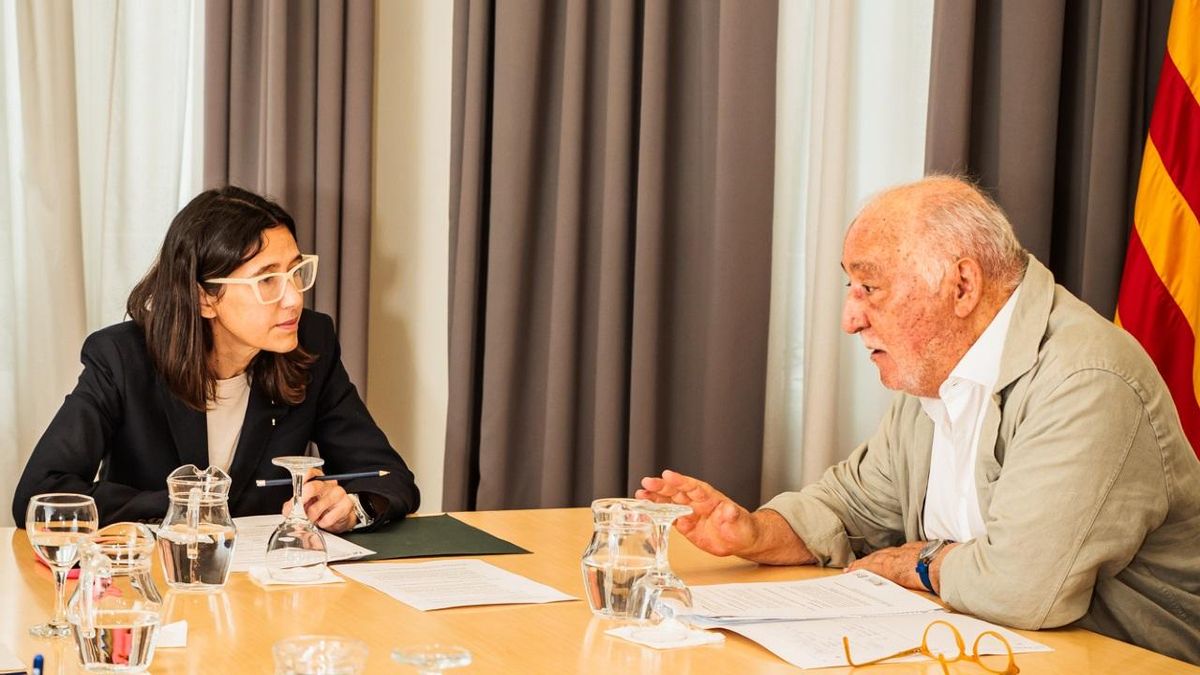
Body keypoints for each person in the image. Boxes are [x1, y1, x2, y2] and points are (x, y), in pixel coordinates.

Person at [638, 176, 1200, 664]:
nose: (849, 318)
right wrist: (756, 532)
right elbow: (854, 504)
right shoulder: (937, 369)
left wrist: (924, 563)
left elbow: (1024, 591)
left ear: (961, 286)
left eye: (870, 287)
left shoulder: (1086, 379)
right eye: (849, 286)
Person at [12, 186, 419, 533]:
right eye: (267, 280)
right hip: (155, 585)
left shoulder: (311, 343)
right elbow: (39, 496)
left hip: (268, 590)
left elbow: (389, 478)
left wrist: (353, 506)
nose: (294, 297)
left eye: (296, 272)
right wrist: (183, 511)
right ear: (204, 297)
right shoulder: (122, 358)